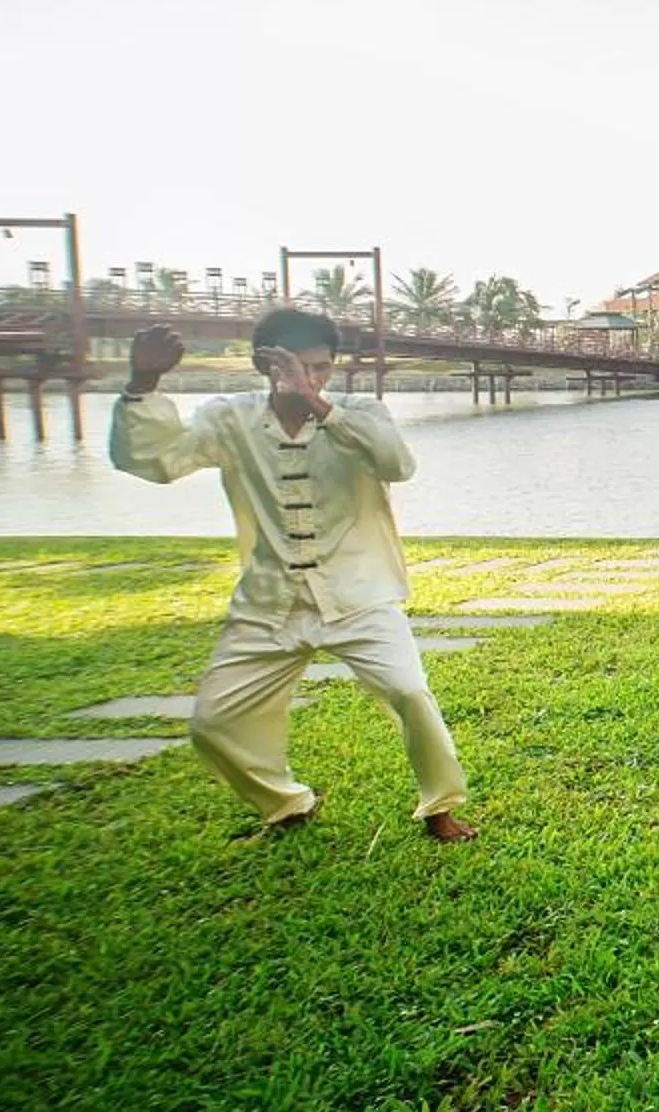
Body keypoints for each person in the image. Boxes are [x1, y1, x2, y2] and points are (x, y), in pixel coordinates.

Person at [108, 316, 474, 842]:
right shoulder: (230, 419)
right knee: (212, 725)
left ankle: (440, 806)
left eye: (322, 368)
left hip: (359, 598)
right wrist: (142, 383)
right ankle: (286, 803)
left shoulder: (360, 414)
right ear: (264, 362)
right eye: (300, 368)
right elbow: (152, 460)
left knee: (411, 693)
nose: (313, 378)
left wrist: (318, 403)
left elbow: (398, 463)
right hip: (269, 604)